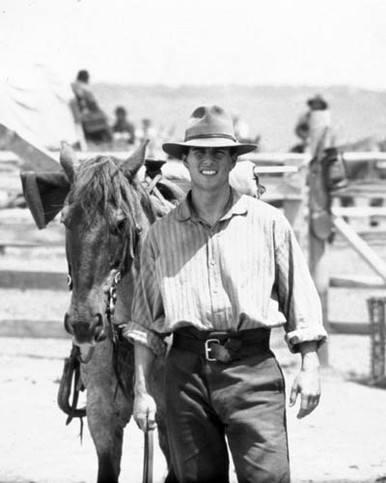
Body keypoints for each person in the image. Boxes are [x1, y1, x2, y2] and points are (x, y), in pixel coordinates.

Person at [123, 105, 327, 482]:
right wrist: (141, 391)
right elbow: (144, 323)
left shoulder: (269, 224)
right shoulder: (161, 235)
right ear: (185, 160)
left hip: (253, 372)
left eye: (219, 153)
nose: (208, 161)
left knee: (268, 476)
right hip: (185, 377)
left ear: (234, 160)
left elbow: (300, 299)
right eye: (199, 152)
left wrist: (310, 367)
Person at [71, 69, 112, 143]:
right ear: (86, 78)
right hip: (84, 117)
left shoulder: (72, 86)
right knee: (104, 119)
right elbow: (93, 104)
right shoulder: (84, 88)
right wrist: (104, 114)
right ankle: (109, 142)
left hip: (75, 114)